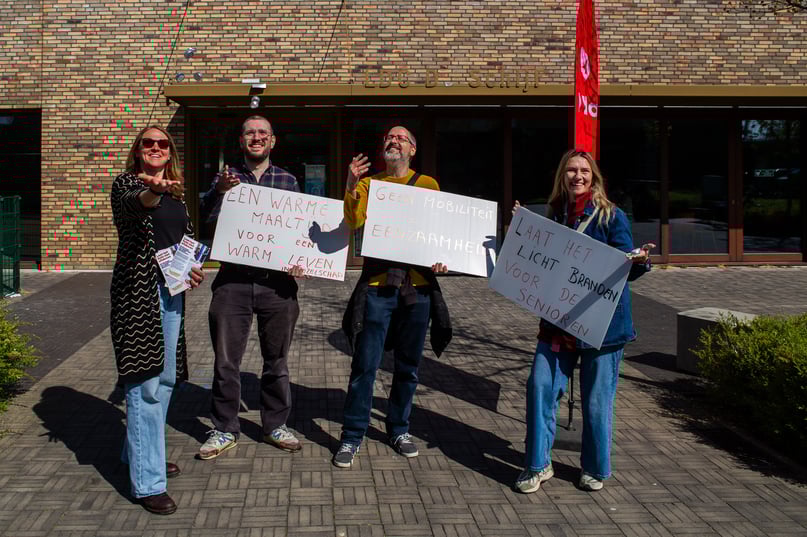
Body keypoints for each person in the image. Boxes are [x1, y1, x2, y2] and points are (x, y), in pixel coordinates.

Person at [513, 149, 651, 494]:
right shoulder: (553, 216)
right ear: (562, 176)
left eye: (584, 171)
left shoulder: (611, 216)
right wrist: (522, 231)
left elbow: (627, 268)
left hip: (602, 328)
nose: (578, 176)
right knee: (540, 388)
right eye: (571, 170)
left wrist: (640, 261)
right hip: (558, 323)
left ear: (594, 177)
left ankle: (594, 469)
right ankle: (537, 465)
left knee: (596, 402)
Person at [334, 126, 452, 468]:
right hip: (377, 287)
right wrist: (350, 185)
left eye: (401, 138)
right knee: (365, 366)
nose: (393, 140)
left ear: (413, 149)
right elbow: (354, 220)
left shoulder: (428, 185)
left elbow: (439, 231)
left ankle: (399, 429)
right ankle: (352, 434)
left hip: (417, 290)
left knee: (408, 368)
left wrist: (442, 258)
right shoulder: (370, 185)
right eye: (389, 136)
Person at [198, 115, 305, 459]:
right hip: (233, 282)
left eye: (263, 133)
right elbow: (203, 218)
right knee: (226, 362)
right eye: (250, 133)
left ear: (272, 141)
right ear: (241, 141)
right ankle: (224, 428)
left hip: (278, 285)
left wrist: (301, 259)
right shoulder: (225, 179)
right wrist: (218, 192)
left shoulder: (288, 180)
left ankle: (275, 425)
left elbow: (300, 231)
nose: (256, 137)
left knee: (277, 361)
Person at [110, 125, 205, 515]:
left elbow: (184, 241)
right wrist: (155, 190)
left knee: (165, 380)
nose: (155, 147)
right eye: (147, 143)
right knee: (144, 385)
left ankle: (139, 455)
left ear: (170, 152)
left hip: (171, 293)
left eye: (162, 143)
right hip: (138, 297)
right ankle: (148, 482)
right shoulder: (127, 185)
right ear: (138, 150)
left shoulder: (178, 195)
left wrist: (192, 269)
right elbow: (138, 203)